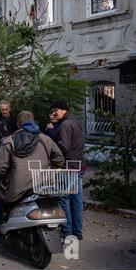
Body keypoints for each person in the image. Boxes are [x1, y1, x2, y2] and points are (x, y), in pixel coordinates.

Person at [0, 111, 64, 251]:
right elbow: (59, 159)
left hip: (18, 188)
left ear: (18, 124)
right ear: (34, 122)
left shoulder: (9, 140)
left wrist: (7, 176)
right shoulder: (45, 139)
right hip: (45, 185)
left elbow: (0, 166)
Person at [50, 100, 86, 240]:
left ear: (64, 110)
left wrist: (51, 150)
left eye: (56, 109)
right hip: (79, 165)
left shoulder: (65, 124)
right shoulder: (74, 121)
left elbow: (64, 147)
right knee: (76, 200)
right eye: (53, 110)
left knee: (64, 198)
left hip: (69, 167)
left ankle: (67, 230)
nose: (54, 113)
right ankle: (77, 231)